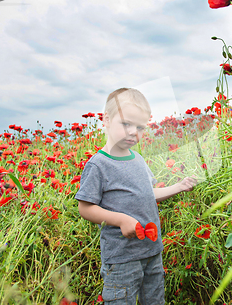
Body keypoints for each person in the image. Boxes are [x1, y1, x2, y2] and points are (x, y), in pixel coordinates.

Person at [75, 87, 197, 304]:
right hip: (122, 259)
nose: (134, 132)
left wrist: (178, 186)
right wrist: (121, 220)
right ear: (106, 120)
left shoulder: (138, 160)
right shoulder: (99, 164)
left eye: (140, 127)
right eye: (126, 124)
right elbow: (85, 208)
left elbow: (148, 194)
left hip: (152, 251)